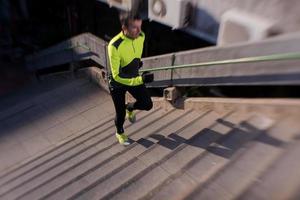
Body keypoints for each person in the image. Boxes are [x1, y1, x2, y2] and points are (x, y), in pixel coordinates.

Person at [108, 12, 154, 145]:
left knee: (147, 104)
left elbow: (136, 54)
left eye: (140, 26)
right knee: (120, 114)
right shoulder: (114, 45)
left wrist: (137, 64)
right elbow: (117, 75)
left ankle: (130, 108)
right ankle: (120, 132)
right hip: (117, 83)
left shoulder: (141, 36)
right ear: (124, 28)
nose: (139, 31)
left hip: (132, 76)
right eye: (135, 27)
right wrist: (141, 80)